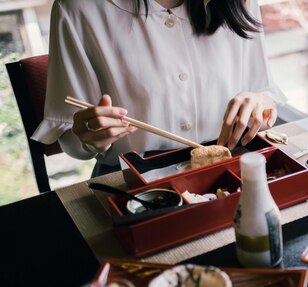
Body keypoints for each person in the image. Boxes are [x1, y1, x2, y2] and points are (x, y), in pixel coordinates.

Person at [33, 0, 286, 176]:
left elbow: (264, 91)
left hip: (231, 165)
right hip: (132, 180)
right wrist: (89, 138)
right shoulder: (78, 9)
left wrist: (261, 103)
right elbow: (70, 135)